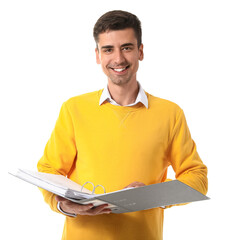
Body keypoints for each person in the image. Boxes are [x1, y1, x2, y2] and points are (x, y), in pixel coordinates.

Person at [37, 10, 208, 240]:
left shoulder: (170, 114)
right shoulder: (73, 109)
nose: (118, 59)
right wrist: (64, 206)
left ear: (140, 51)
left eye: (126, 47)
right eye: (108, 49)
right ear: (97, 55)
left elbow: (197, 176)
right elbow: (49, 170)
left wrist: (152, 194)